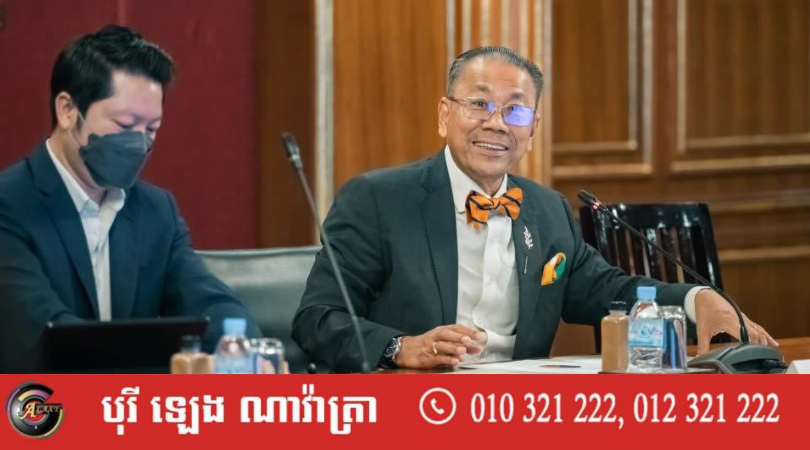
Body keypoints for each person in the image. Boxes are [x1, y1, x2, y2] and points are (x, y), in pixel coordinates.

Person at [292, 46, 777, 373]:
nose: (497, 124)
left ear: (532, 128)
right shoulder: (377, 199)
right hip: (412, 409)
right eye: (479, 104)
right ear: (444, 115)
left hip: (519, 412)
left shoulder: (547, 210)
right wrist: (402, 347)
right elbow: (316, 319)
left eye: (516, 110)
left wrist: (697, 299)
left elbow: (607, 290)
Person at [0, 25, 259, 372]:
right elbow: (46, 338)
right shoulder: (10, 205)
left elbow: (207, 301)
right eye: (125, 125)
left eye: (151, 129)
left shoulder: (157, 211)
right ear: (67, 110)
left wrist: (245, 351)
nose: (140, 143)